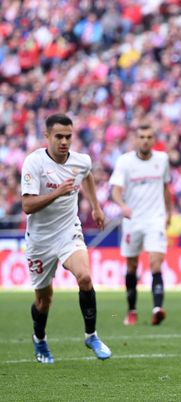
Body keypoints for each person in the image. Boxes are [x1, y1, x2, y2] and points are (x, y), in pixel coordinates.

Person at [21, 114, 112, 363]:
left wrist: (96, 207)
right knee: (44, 301)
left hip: (68, 231)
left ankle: (91, 335)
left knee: (85, 277)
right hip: (39, 239)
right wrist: (58, 193)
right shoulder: (34, 163)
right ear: (47, 136)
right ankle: (40, 339)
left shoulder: (81, 161)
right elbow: (27, 205)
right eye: (58, 136)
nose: (64, 142)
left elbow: (87, 175)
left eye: (68, 137)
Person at [109, 123, 172, 326]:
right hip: (133, 219)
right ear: (136, 140)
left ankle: (157, 309)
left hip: (155, 218)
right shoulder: (125, 161)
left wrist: (169, 213)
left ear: (154, 140)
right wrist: (122, 206)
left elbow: (165, 188)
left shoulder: (162, 159)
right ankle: (132, 310)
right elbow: (115, 190)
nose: (145, 140)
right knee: (132, 265)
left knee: (155, 262)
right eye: (142, 137)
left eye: (149, 137)